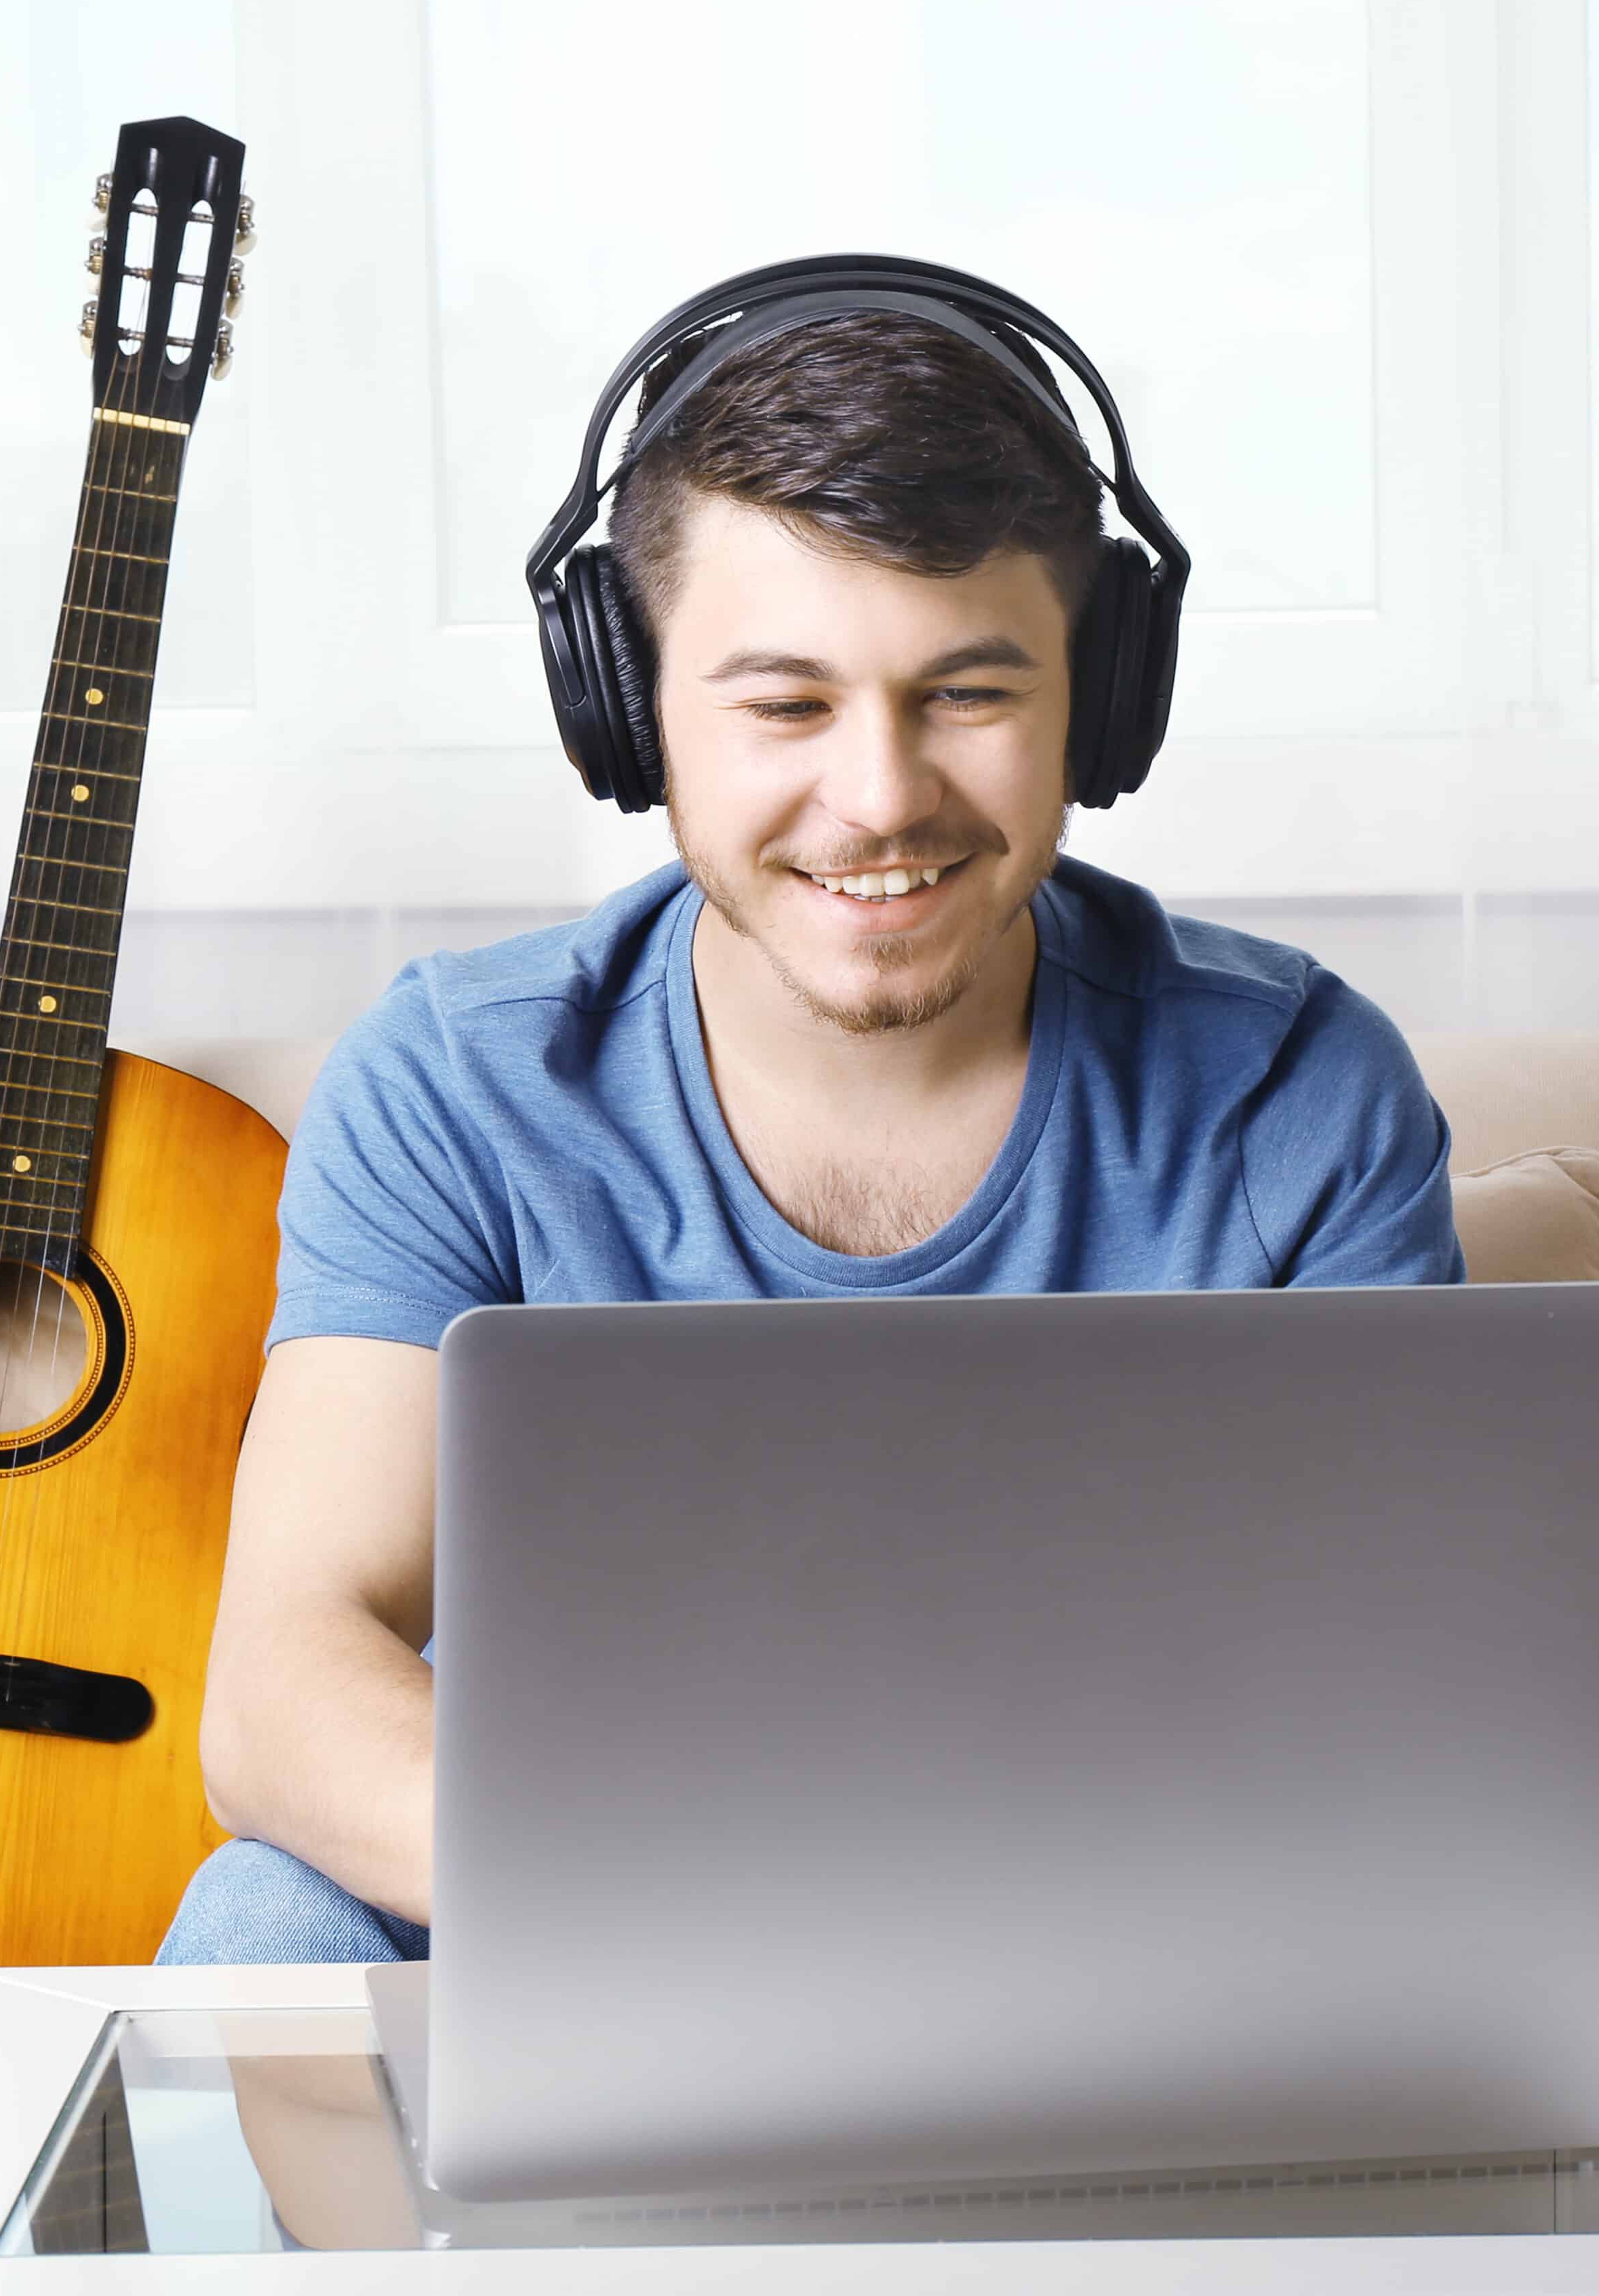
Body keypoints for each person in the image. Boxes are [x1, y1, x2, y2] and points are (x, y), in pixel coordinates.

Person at [156, 298, 1463, 1967]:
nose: (881, 796)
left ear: (1101, 706)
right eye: (785, 706)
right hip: (607, 1911)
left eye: (968, 691)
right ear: (628, 714)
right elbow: (282, 1690)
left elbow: (1397, 1699)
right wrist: (752, 1925)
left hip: (1140, 1928)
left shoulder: (1302, 1087)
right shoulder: (450, 1082)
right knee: (264, 1917)